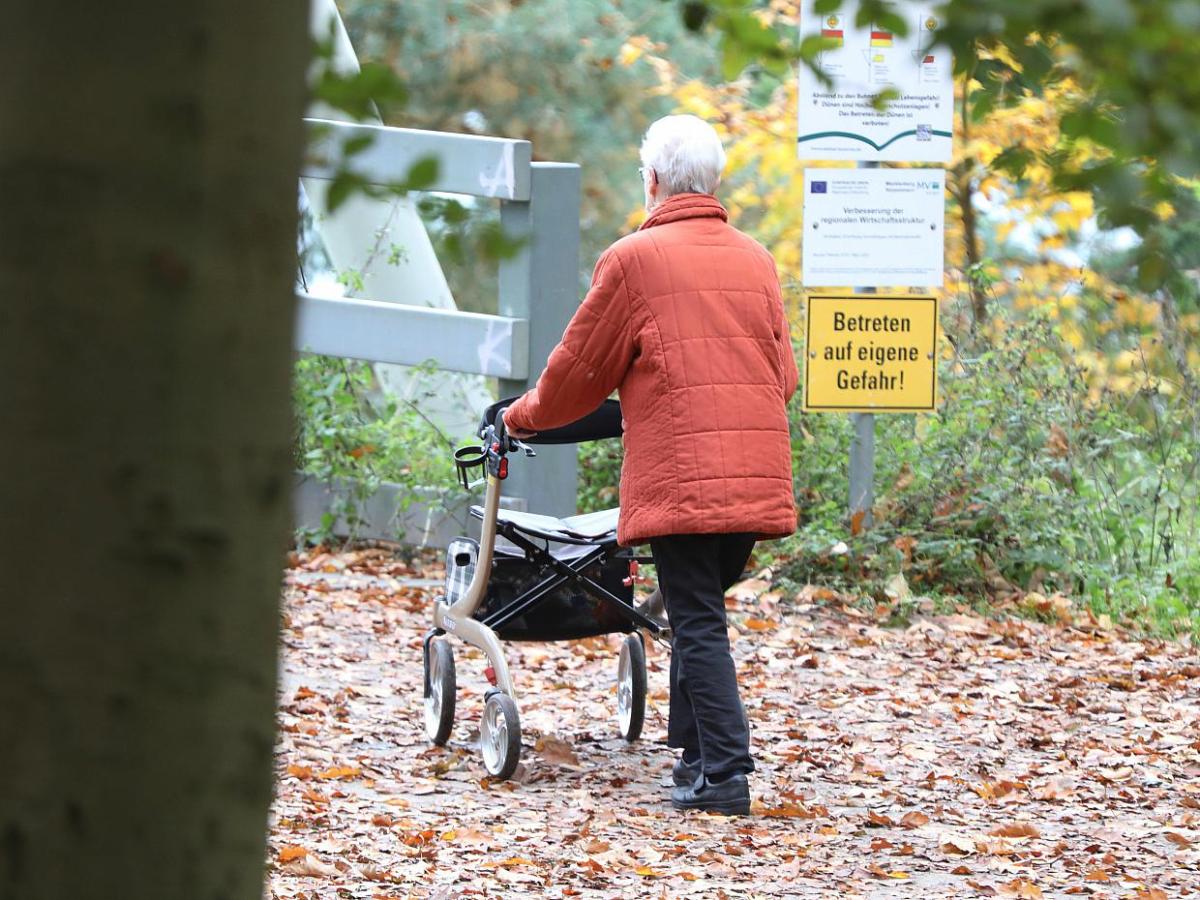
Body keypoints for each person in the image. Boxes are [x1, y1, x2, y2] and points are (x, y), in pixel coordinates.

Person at [503, 114, 797, 815]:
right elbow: (782, 377)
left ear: (654, 182)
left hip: (685, 473)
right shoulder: (757, 259)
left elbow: (576, 375)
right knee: (701, 608)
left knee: (695, 616)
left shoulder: (634, 260)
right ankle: (697, 757)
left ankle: (724, 772)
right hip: (756, 470)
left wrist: (518, 417)